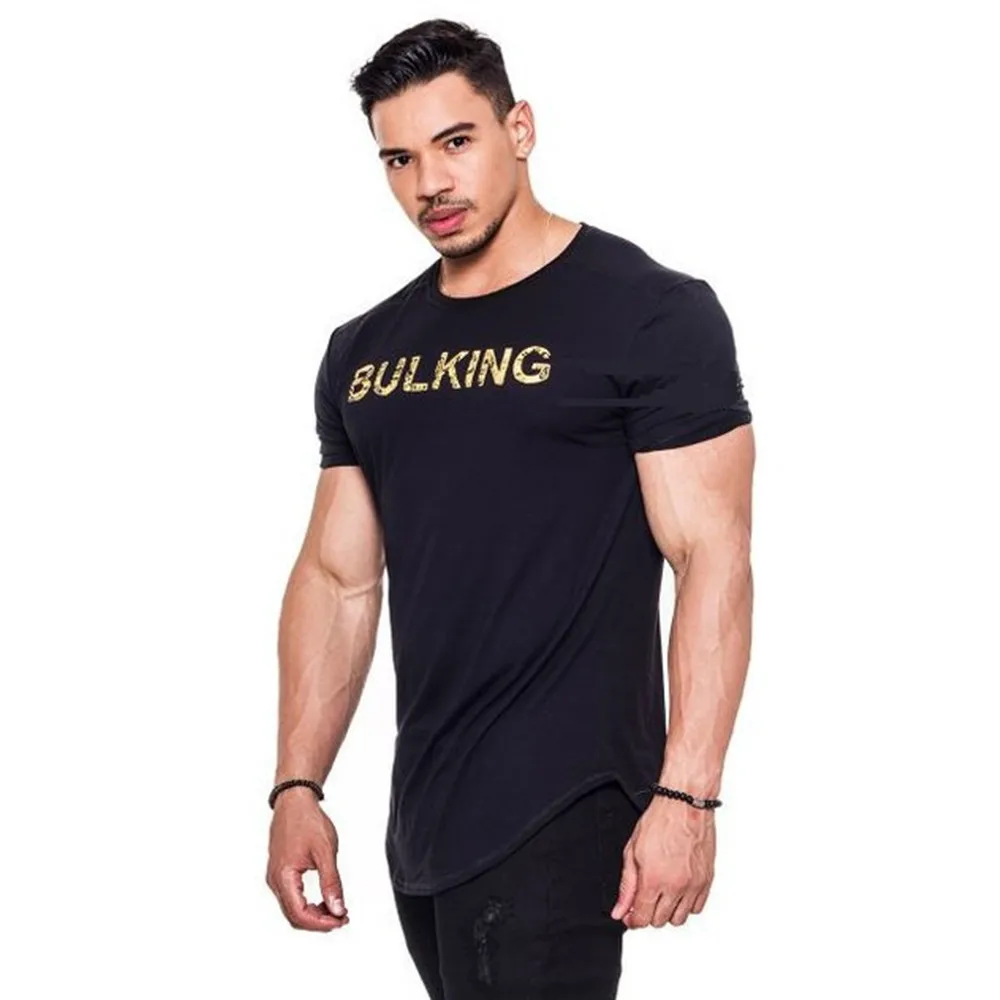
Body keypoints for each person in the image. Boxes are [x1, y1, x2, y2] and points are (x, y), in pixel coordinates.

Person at [265, 17, 755, 999]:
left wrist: (689, 794)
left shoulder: (646, 311)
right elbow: (338, 578)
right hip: (425, 814)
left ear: (519, 128)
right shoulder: (365, 351)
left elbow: (712, 556)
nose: (429, 183)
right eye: (399, 159)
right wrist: (296, 785)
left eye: (455, 142)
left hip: (566, 798)